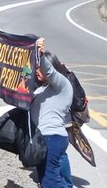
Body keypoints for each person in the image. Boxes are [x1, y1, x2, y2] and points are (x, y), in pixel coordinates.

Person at [32, 37, 74, 188]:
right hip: (42, 138)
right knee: (47, 179)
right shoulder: (40, 89)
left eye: (39, 68)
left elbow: (49, 72)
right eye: (36, 67)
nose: (37, 71)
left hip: (53, 137)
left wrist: (40, 55)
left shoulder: (63, 85)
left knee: (50, 181)